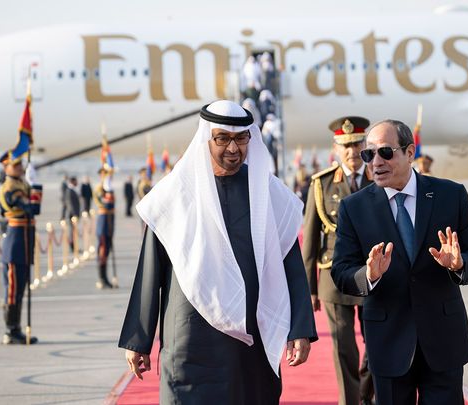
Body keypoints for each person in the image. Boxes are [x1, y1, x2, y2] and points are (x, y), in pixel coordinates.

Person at [119, 100, 317, 404]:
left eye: (240, 138)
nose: (233, 149)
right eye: (222, 138)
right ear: (206, 138)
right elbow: (150, 270)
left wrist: (300, 328)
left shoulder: (268, 192)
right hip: (190, 337)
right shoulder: (177, 192)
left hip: (251, 339)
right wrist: (139, 339)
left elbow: (290, 261)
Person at [331, 119, 468, 404]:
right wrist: (368, 275)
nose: (375, 161)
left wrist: (459, 265)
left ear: (409, 152)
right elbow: (342, 271)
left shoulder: (450, 195)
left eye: (385, 152)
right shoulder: (353, 208)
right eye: (369, 154)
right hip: (387, 343)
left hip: (443, 341)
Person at [302, 116, 374, 405]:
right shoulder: (322, 184)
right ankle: (351, 401)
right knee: (344, 346)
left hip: (373, 274)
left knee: (377, 344)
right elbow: (310, 239)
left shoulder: (379, 176)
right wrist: (311, 290)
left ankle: (366, 394)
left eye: (357, 145)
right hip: (334, 277)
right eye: (346, 146)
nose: (352, 153)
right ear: (336, 148)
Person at [0, 152, 42, 344]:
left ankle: (15, 328)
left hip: (24, 243)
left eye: (20, 164)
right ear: (6, 166)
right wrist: (35, 185)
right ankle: (10, 330)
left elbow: (35, 209)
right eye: (15, 165)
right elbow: (31, 208)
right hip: (16, 245)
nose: (20, 167)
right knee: (13, 289)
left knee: (20, 288)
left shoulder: (20, 184)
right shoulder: (10, 187)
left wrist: (33, 184)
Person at [93, 167, 115, 289]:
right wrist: (108, 191)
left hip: (109, 223)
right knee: (102, 251)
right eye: (105, 175)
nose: (107, 177)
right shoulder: (99, 189)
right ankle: (102, 278)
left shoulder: (107, 188)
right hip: (103, 224)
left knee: (106, 251)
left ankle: (104, 278)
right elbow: (106, 204)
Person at [64, 176, 81, 252]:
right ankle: (72, 247)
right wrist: (75, 215)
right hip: (72, 215)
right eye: (76, 181)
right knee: (72, 232)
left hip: (73, 215)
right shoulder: (70, 191)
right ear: (73, 181)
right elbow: (70, 204)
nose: (77, 183)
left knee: (74, 231)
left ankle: (75, 247)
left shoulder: (72, 190)